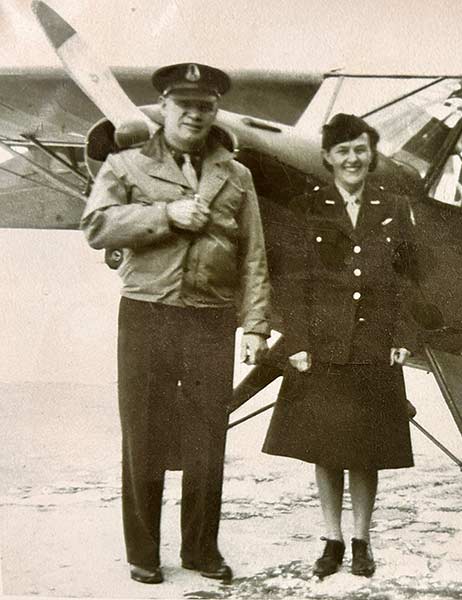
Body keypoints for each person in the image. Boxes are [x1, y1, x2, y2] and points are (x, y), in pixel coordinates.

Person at [81, 63, 270, 585]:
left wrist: (255, 324)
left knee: (209, 434)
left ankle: (201, 551)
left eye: (205, 105)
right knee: (142, 430)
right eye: (183, 104)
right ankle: (143, 553)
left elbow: (254, 253)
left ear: (215, 112)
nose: (194, 113)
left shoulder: (237, 175)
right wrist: (166, 215)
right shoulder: (124, 165)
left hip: (211, 318)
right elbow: (96, 225)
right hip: (147, 313)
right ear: (163, 108)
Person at [263, 113, 418, 579]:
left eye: (360, 149)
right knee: (326, 448)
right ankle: (331, 540)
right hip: (324, 344)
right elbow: (292, 282)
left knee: (366, 450)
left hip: (374, 344)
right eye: (343, 150)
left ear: (371, 155)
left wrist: (404, 336)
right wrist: (297, 340)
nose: (353, 158)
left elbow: (411, 277)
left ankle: (362, 541)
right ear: (327, 158)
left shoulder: (394, 206)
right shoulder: (306, 206)